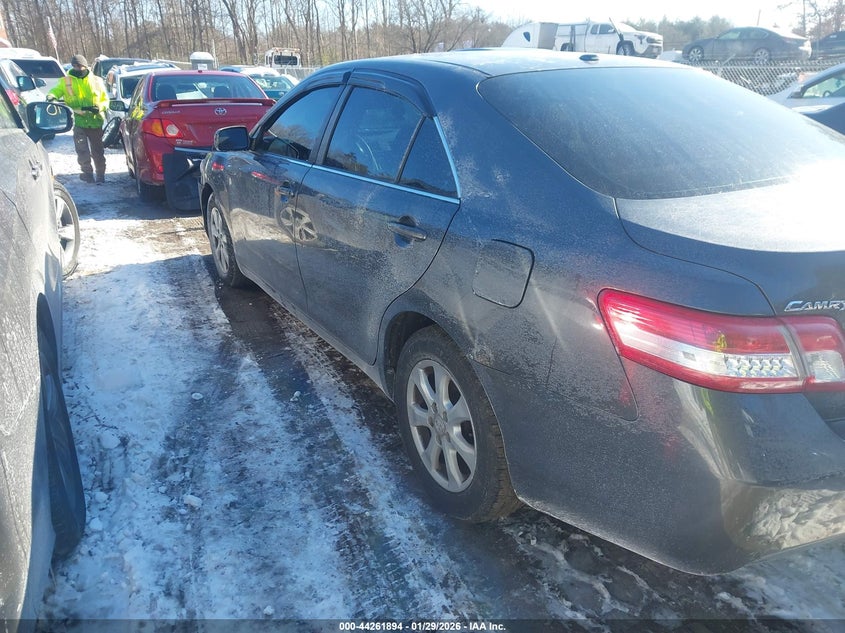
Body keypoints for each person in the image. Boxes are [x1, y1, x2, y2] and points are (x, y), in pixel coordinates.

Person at [48, 54, 109, 183]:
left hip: (95, 120)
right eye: (76, 66)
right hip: (78, 121)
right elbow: (56, 90)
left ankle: (100, 175)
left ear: (86, 66)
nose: (78, 68)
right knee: (82, 150)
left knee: (98, 150)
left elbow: (105, 100)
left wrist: (99, 107)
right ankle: (87, 173)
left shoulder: (96, 81)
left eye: (81, 66)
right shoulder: (66, 81)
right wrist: (51, 96)